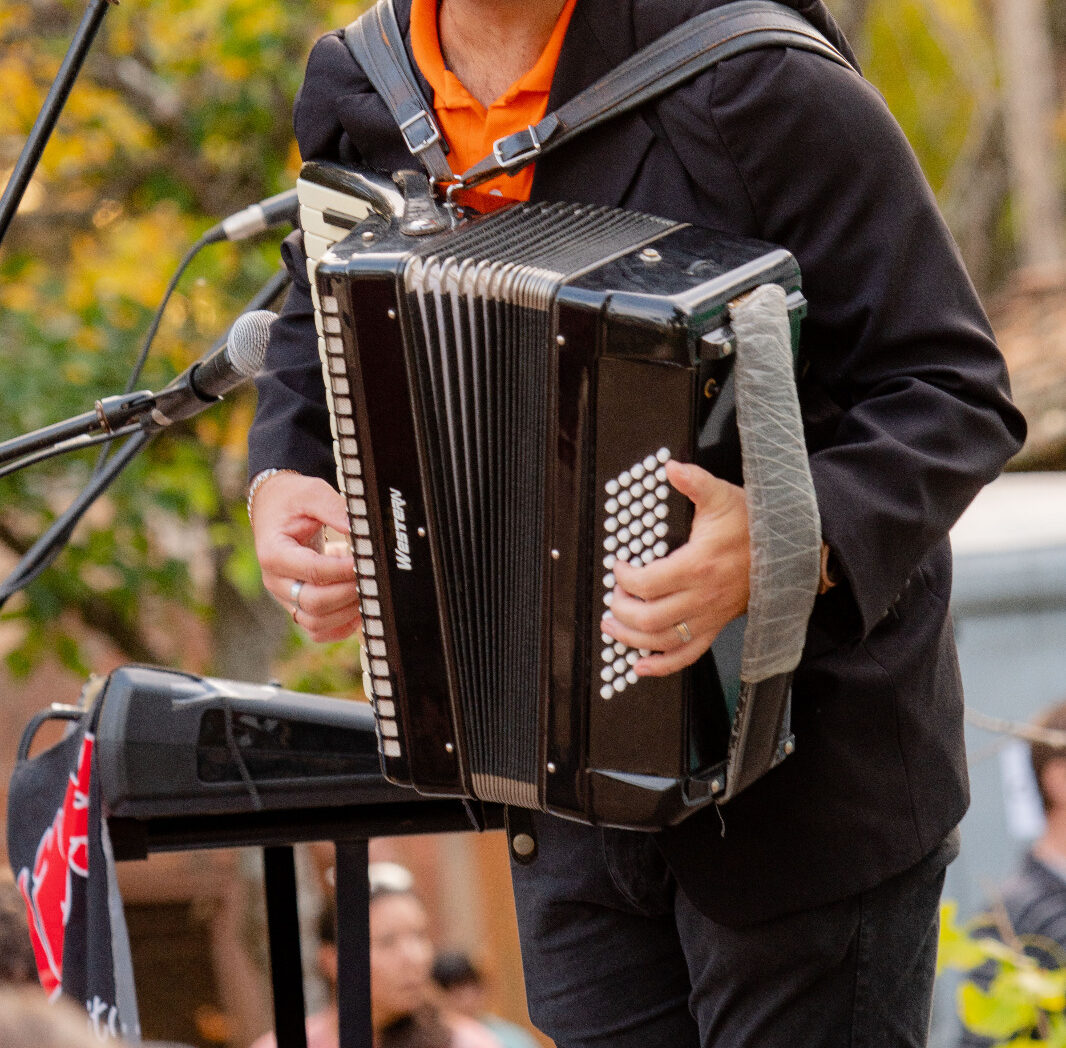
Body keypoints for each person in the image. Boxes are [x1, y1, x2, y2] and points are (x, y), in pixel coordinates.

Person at [245, 0, 1027, 1044]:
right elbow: (319, 293)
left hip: (811, 789)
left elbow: (954, 387)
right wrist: (287, 472)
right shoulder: (364, 85)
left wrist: (784, 540)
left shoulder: (754, 79)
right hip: (560, 789)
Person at [250, 863, 501, 1048]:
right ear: (330, 959)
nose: (412, 957)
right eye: (387, 942)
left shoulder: (466, 1041)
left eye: (419, 936)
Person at [432, 950, 538, 1048]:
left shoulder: (510, 1036)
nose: (468, 1000)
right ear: (435, 996)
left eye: (473, 990)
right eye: (457, 994)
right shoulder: (433, 1037)